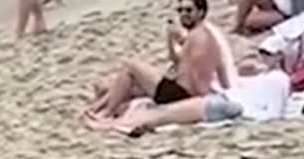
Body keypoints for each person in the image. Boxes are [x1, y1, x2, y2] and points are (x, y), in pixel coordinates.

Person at [84, 40, 289, 136]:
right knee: (159, 113)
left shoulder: (271, 79)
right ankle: (105, 114)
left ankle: (108, 120)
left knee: (161, 113)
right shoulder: (266, 83)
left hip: (217, 102)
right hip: (227, 104)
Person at [84, 0, 232, 120]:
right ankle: (97, 107)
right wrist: (171, 39)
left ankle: (106, 112)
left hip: (178, 94)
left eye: (189, 10)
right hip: (182, 92)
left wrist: (196, 94)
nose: (183, 14)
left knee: (129, 65)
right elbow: (223, 79)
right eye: (180, 10)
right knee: (119, 85)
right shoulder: (210, 39)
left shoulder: (194, 37)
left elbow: (188, 71)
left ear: (200, 13)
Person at [233, 0, 304, 35]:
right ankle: (238, 26)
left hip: (289, 13)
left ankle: (240, 26)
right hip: (284, 6)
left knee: (251, 21)